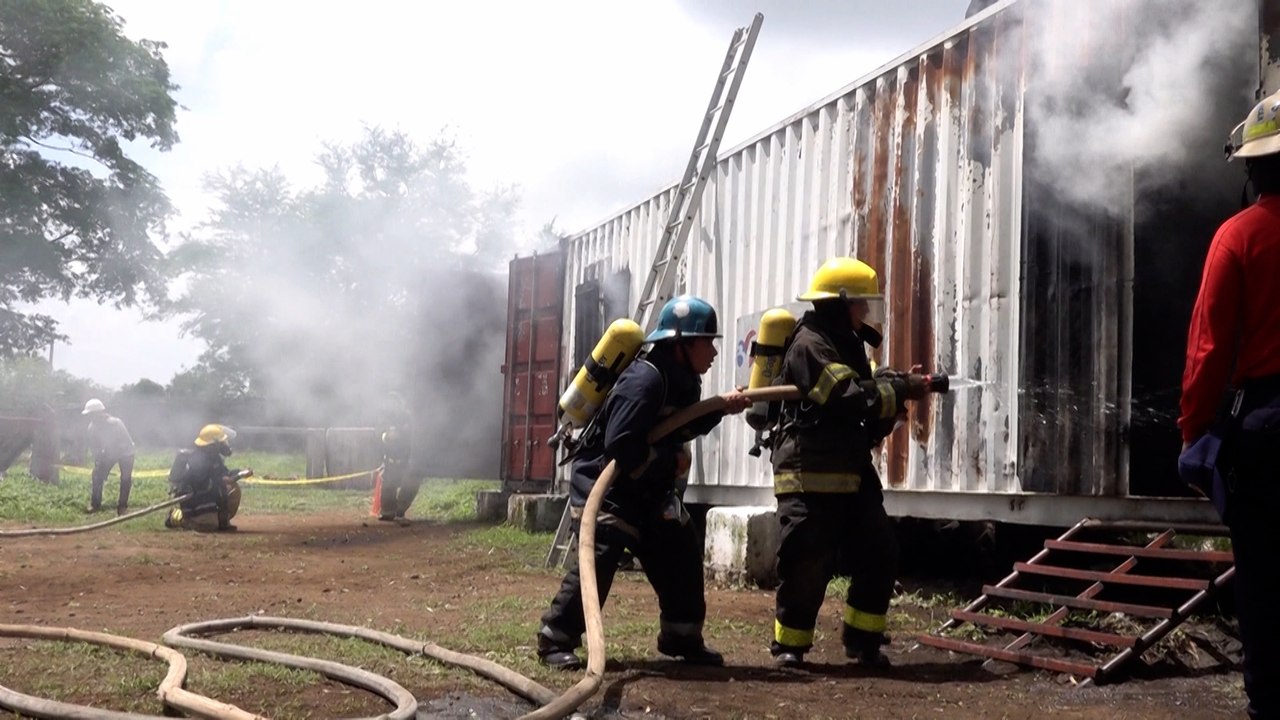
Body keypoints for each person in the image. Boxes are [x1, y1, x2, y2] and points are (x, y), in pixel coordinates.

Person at [535, 295, 751, 670]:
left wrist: (721, 408)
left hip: (645, 489)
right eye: (707, 342)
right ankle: (555, 638)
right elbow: (621, 444)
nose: (714, 352)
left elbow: (680, 424)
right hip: (607, 489)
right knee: (600, 557)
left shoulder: (682, 380)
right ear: (681, 344)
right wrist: (671, 462)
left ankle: (681, 636)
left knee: (680, 547)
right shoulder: (645, 380)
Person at [767, 257, 931, 669]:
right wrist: (899, 390)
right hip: (809, 471)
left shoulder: (848, 342)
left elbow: (867, 391)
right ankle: (790, 646)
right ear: (840, 303)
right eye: (861, 303)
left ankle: (864, 641)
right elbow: (847, 397)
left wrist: (894, 386)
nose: (865, 312)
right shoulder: (809, 344)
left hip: (850, 468)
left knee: (880, 550)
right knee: (807, 559)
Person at [1179, 88, 1280, 720]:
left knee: (1265, 579)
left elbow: (1208, 349)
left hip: (1268, 427)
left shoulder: (1238, 236)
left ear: (1253, 169)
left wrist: (1194, 434)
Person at [165, 424, 248, 532]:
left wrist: (239, 474)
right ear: (213, 445)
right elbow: (201, 485)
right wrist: (220, 482)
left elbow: (223, 473)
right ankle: (178, 517)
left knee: (232, 488)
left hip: (208, 496)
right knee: (208, 526)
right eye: (221, 442)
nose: (224, 444)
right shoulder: (198, 460)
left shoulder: (214, 458)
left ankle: (222, 520)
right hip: (195, 501)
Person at [82, 398, 135, 515]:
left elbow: (125, 442)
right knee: (97, 475)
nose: (90, 417)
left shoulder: (116, 423)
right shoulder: (92, 428)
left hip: (125, 452)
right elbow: (95, 447)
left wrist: (111, 451)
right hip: (108, 454)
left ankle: (122, 507)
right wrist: (99, 459)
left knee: (126, 478)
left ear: (99, 413)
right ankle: (95, 504)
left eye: (91, 414)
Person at [377, 393, 418, 526]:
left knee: (411, 483)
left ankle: (400, 510)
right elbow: (380, 433)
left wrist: (401, 434)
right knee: (388, 485)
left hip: (406, 460)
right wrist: (386, 436)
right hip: (390, 460)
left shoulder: (408, 418)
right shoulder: (384, 418)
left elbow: (413, 435)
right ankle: (388, 511)